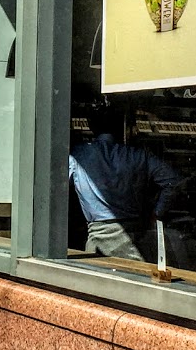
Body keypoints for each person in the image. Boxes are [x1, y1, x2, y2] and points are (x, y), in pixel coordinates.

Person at [68, 103, 180, 261]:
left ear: (92, 127)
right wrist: (157, 213)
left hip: (99, 242)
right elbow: (172, 181)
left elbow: (54, 187)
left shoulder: (78, 155)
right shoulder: (139, 155)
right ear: (121, 127)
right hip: (135, 242)